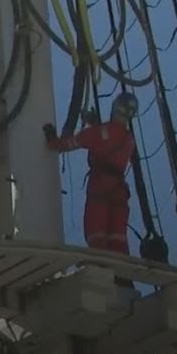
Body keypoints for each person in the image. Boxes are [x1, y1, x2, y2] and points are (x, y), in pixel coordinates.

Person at [44, 92, 138, 255]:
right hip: (119, 190)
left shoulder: (99, 132)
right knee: (117, 235)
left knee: (96, 229)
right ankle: (122, 273)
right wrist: (94, 125)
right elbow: (110, 139)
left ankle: (100, 263)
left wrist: (52, 140)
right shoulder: (129, 139)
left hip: (100, 186)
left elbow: (69, 144)